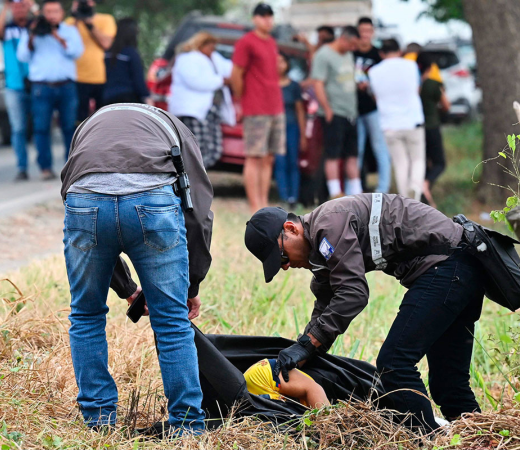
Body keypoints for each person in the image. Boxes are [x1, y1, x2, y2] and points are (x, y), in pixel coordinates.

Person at [244, 194, 487, 432]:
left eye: (282, 256)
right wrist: (303, 350)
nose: (286, 266)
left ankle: (428, 439)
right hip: (460, 266)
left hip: (449, 264)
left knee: (394, 364)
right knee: (448, 383)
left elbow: (353, 292)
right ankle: (479, 437)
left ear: (291, 228)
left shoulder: (328, 224)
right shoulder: (321, 247)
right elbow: (327, 302)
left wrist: (308, 345)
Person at [60, 103, 214, 435]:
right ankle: (187, 427)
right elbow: (199, 212)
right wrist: (189, 289)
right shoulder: (175, 129)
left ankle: (99, 421)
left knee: (86, 314)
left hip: (85, 200)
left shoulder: (87, 127)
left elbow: (72, 199)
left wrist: (127, 289)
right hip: (152, 201)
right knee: (171, 321)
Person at [17, 0, 84, 180]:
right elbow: (22, 55)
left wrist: (56, 35)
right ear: (43, 14)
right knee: (41, 128)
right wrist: (33, 35)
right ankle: (45, 168)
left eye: (55, 11)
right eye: (48, 12)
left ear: (61, 13)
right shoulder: (33, 31)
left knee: (70, 128)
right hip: (41, 87)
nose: (51, 15)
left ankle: (71, 168)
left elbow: (76, 52)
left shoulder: (69, 31)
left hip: (66, 86)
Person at [231, 3, 285, 213]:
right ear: (255, 19)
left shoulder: (271, 42)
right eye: (263, 16)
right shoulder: (246, 42)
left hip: (275, 107)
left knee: (269, 157)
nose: (267, 20)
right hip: (256, 108)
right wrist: (242, 100)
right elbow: (236, 74)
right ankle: (255, 205)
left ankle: (263, 203)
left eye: (270, 17)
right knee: (254, 156)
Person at [368, 39, 425, 200]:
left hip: (389, 123)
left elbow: (374, 96)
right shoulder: (411, 66)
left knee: (400, 163)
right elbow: (417, 89)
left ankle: (405, 198)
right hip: (413, 120)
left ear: (381, 53)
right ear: (399, 51)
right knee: (417, 159)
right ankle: (415, 186)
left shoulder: (374, 72)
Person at [311, 25, 362, 199]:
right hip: (334, 112)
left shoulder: (348, 54)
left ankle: (356, 192)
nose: (353, 49)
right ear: (343, 39)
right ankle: (335, 192)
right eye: (352, 44)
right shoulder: (323, 55)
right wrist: (327, 109)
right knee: (333, 154)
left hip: (351, 113)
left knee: (352, 154)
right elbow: (317, 83)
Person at [170, 32, 233, 169]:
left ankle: (197, 174)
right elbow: (195, 81)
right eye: (210, 48)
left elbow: (230, 68)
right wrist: (221, 80)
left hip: (210, 110)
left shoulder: (214, 58)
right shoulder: (187, 59)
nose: (212, 51)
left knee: (214, 149)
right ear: (200, 45)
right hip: (193, 111)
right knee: (196, 149)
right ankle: (191, 178)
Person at [353, 17, 390, 194]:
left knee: (379, 148)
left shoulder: (377, 55)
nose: (365, 35)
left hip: (374, 109)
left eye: (368, 31)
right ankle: (356, 189)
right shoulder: (350, 53)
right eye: (362, 31)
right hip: (353, 109)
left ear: (373, 32)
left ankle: (383, 188)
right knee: (356, 150)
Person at [0, 0, 36, 182]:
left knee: (41, 126)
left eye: (22, 6)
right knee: (18, 128)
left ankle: (45, 165)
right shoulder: (7, 28)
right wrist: (6, 5)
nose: (19, 9)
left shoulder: (34, 25)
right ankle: (22, 167)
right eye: (16, 7)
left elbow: (47, 23)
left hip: (36, 82)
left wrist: (32, 6)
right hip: (14, 85)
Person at [66, 0, 116, 121]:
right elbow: (67, 44)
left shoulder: (106, 19)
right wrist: (77, 17)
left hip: (100, 78)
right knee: (78, 120)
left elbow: (106, 44)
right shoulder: (69, 22)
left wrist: (89, 24)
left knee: (102, 119)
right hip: (76, 78)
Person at [417, 52, 451, 208]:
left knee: (422, 163)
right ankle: (425, 185)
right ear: (430, 68)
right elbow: (446, 105)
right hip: (432, 126)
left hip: (417, 129)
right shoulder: (433, 84)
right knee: (439, 163)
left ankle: (424, 194)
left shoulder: (414, 85)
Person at [273, 53, 306, 209]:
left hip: (292, 126)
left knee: (293, 162)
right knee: (280, 163)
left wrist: (303, 134)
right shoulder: (269, 84)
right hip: (275, 129)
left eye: (282, 61)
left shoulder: (294, 86)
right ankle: (284, 196)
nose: (279, 65)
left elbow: (300, 110)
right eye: (276, 62)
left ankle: (294, 197)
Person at [244, 358, 330, 408]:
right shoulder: (318, 396)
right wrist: (328, 427)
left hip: (258, 382)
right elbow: (314, 389)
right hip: (265, 374)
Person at [102, 17, 149, 105]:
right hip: (127, 98)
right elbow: (138, 80)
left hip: (106, 98)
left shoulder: (107, 53)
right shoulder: (131, 53)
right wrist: (146, 96)